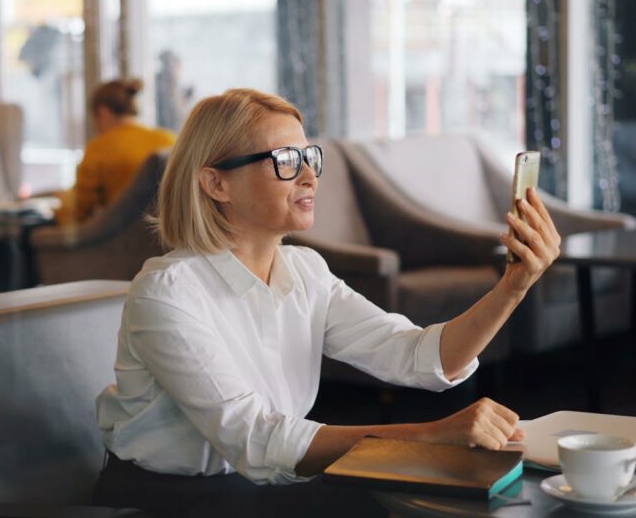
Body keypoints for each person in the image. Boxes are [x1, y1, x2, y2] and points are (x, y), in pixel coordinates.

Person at [93, 89, 561, 516]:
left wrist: (513, 285)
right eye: (284, 159)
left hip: (260, 486)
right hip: (167, 502)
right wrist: (431, 437)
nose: (309, 174)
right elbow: (256, 439)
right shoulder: (167, 292)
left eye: (308, 156)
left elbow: (419, 356)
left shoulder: (304, 270)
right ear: (216, 184)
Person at [56, 78, 176, 224]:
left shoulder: (99, 148)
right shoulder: (169, 140)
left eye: (95, 119)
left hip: (121, 239)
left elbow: (79, 210)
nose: (95, 127)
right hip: (169, 233)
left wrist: (64, 202)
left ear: (103, 112)